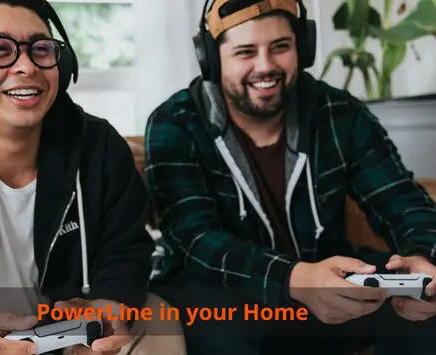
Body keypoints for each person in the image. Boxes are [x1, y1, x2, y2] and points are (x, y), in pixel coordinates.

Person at [144, 0, 436, 354]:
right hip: (223, 294)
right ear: (210, 58)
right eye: (246, 52)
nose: (265, 66)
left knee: (428, 312)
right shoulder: (175, 122)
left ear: (303, 47)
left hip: (328, 280)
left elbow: (402, 203)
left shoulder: (339, 113)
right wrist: (293, 278)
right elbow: (194, 238)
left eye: (280, 47)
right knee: (227, 334)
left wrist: (423, 261)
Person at [0, 0, 159, 354]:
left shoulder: (99, 147)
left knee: (161, 319)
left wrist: (109, 301)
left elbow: (126, 250)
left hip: (69, 339)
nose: (26, 66)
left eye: (41, 49)